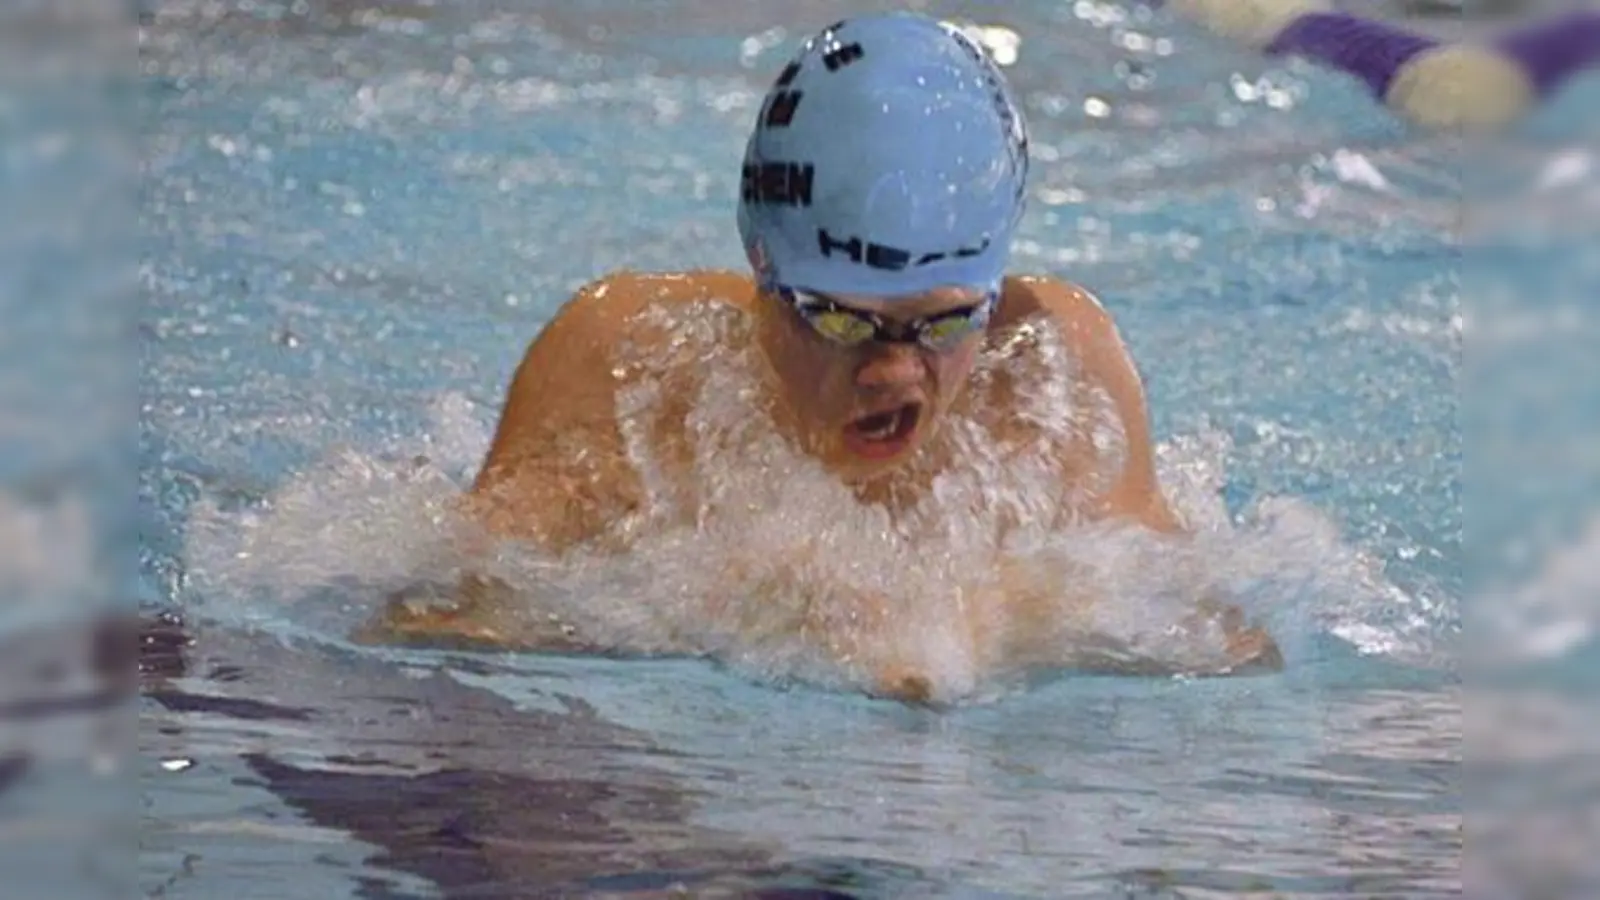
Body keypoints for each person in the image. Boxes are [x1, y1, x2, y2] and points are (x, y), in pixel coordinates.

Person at [360, 12, 1282, 701]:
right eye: (840, 321)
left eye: (945, 323)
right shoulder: (628, 364)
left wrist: (986, 622)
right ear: (763, 272)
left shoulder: (1049, 370)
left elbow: (1220, 649)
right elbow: (439, 627)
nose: (893, 373)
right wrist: (751, 610)